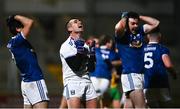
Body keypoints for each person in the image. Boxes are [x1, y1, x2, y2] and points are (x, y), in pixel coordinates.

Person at [114, 11, 160, 108]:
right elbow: (118, 27)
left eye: (136, 23)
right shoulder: (122, 35)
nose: (135, 26)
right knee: (141, 107)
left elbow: (156, 23)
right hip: (131, 74)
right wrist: (125, 18)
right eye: (132, 23)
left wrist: (139, 16)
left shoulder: (140, 31)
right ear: (126, 23)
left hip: (141, 74)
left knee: (129, 105)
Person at [6, 15, 49, 108]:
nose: (25, 28)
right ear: (18, 29)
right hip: (34, 80)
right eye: (22, 26)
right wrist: (15, 16)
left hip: (26, 82)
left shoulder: (13, 43)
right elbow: (30, 22)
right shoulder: (17, 41)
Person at [59, 19, 97, 108]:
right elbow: (75, 66)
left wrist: (92, 53)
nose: (80, 22)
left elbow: (92, 69)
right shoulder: (66, 46)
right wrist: (80, 51)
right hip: (73, 81)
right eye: (76, 22)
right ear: (70, 29)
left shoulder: (85, 45)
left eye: (80, 21)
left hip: (87, 80)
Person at [143, 27, 177, 108]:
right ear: (160, 35)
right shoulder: (162, 49)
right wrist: (174, 73)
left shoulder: (142, 49)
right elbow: (168, 65)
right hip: (161, 83)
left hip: (147, 83)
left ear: (148, 36)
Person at [90, 35, 121, 108]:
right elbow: (122, 60)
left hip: (93, 77)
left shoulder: (95, 50)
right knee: (100, 98)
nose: (111, 45)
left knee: (94, 99)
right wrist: (111, 63)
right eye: (110, 43)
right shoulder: (112, 53)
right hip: (105, 78)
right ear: (107, 43)